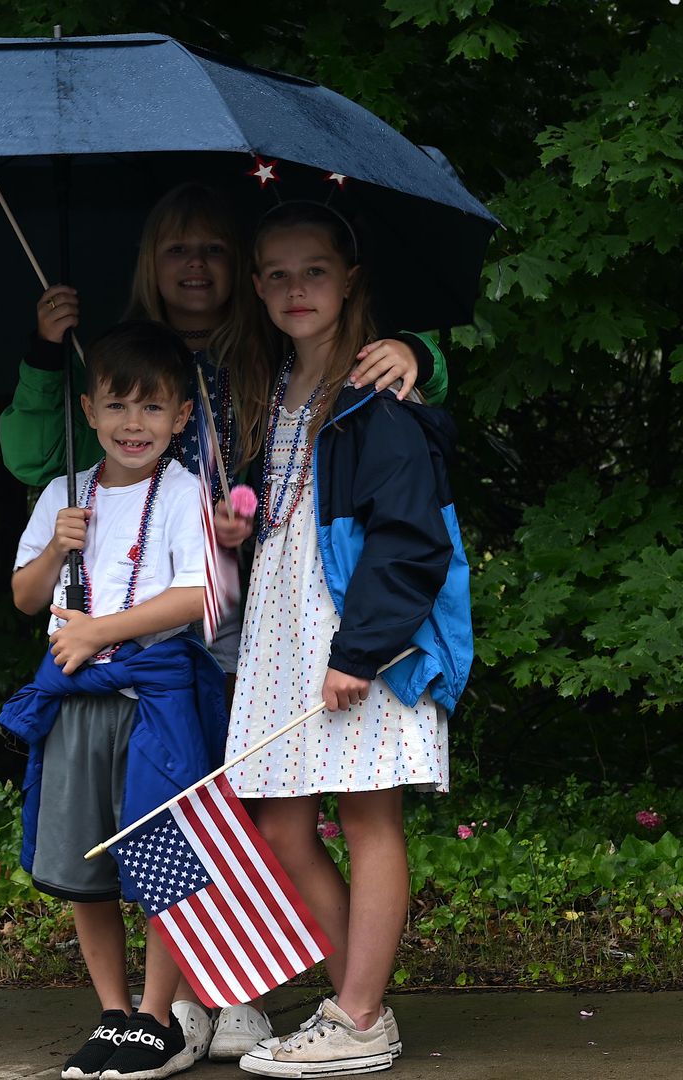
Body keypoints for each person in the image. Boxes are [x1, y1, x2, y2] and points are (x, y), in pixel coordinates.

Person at [0, 185, 453, 1060]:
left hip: (272, 608)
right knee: (239, 809)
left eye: (213, 250)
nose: (196, 267)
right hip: (240, 612)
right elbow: (35, 456)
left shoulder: (286, 357)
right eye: (179, 250)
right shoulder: (132, 358)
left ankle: (325, 1002)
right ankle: (267, 992)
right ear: (153, 264)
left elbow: (396, 448)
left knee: (264, 804)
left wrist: (419, 350)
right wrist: (42, 354)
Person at [224, 202, 474, 1078]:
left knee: (369, 818)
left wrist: (360, 649)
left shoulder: (380, 392)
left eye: (316, 271)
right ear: (256, 286)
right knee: (284, 826)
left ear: (350, 279)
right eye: (279, 274)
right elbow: (296, 516)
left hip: (359, 636)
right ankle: (355, 1009)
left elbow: (412, 536)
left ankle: (359, 1015)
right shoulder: (273, 389)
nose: (297, 289)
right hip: (286, 631)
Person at [0, 322, 228, 1080]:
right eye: (119, 407)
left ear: (182, 418)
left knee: (164, 855)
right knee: (82, 856)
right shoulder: (65, 492)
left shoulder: (187, 492)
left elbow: (195, 597)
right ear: (89, 411)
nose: (136, 425)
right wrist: (57, 548)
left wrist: (100, 631)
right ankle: (113, 1010)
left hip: (154, 705)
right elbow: (27, 600)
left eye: (155, 409)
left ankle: (158, 1017)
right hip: (77, 706)